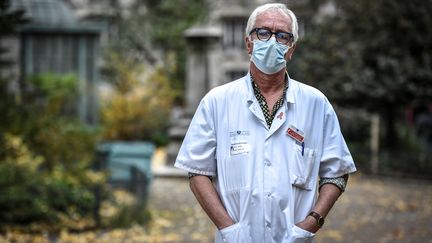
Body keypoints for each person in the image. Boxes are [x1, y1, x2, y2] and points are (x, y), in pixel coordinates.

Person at [174, 3, 357, 243]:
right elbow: (198, 171)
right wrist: (228, 229)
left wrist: (312, 222)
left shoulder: (316, 104)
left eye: (282, 36)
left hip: (295, 239)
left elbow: (337, 172)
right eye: (263, 33)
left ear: (291, 49)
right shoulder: (217, 102)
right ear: (248, 43)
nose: (272, 41)